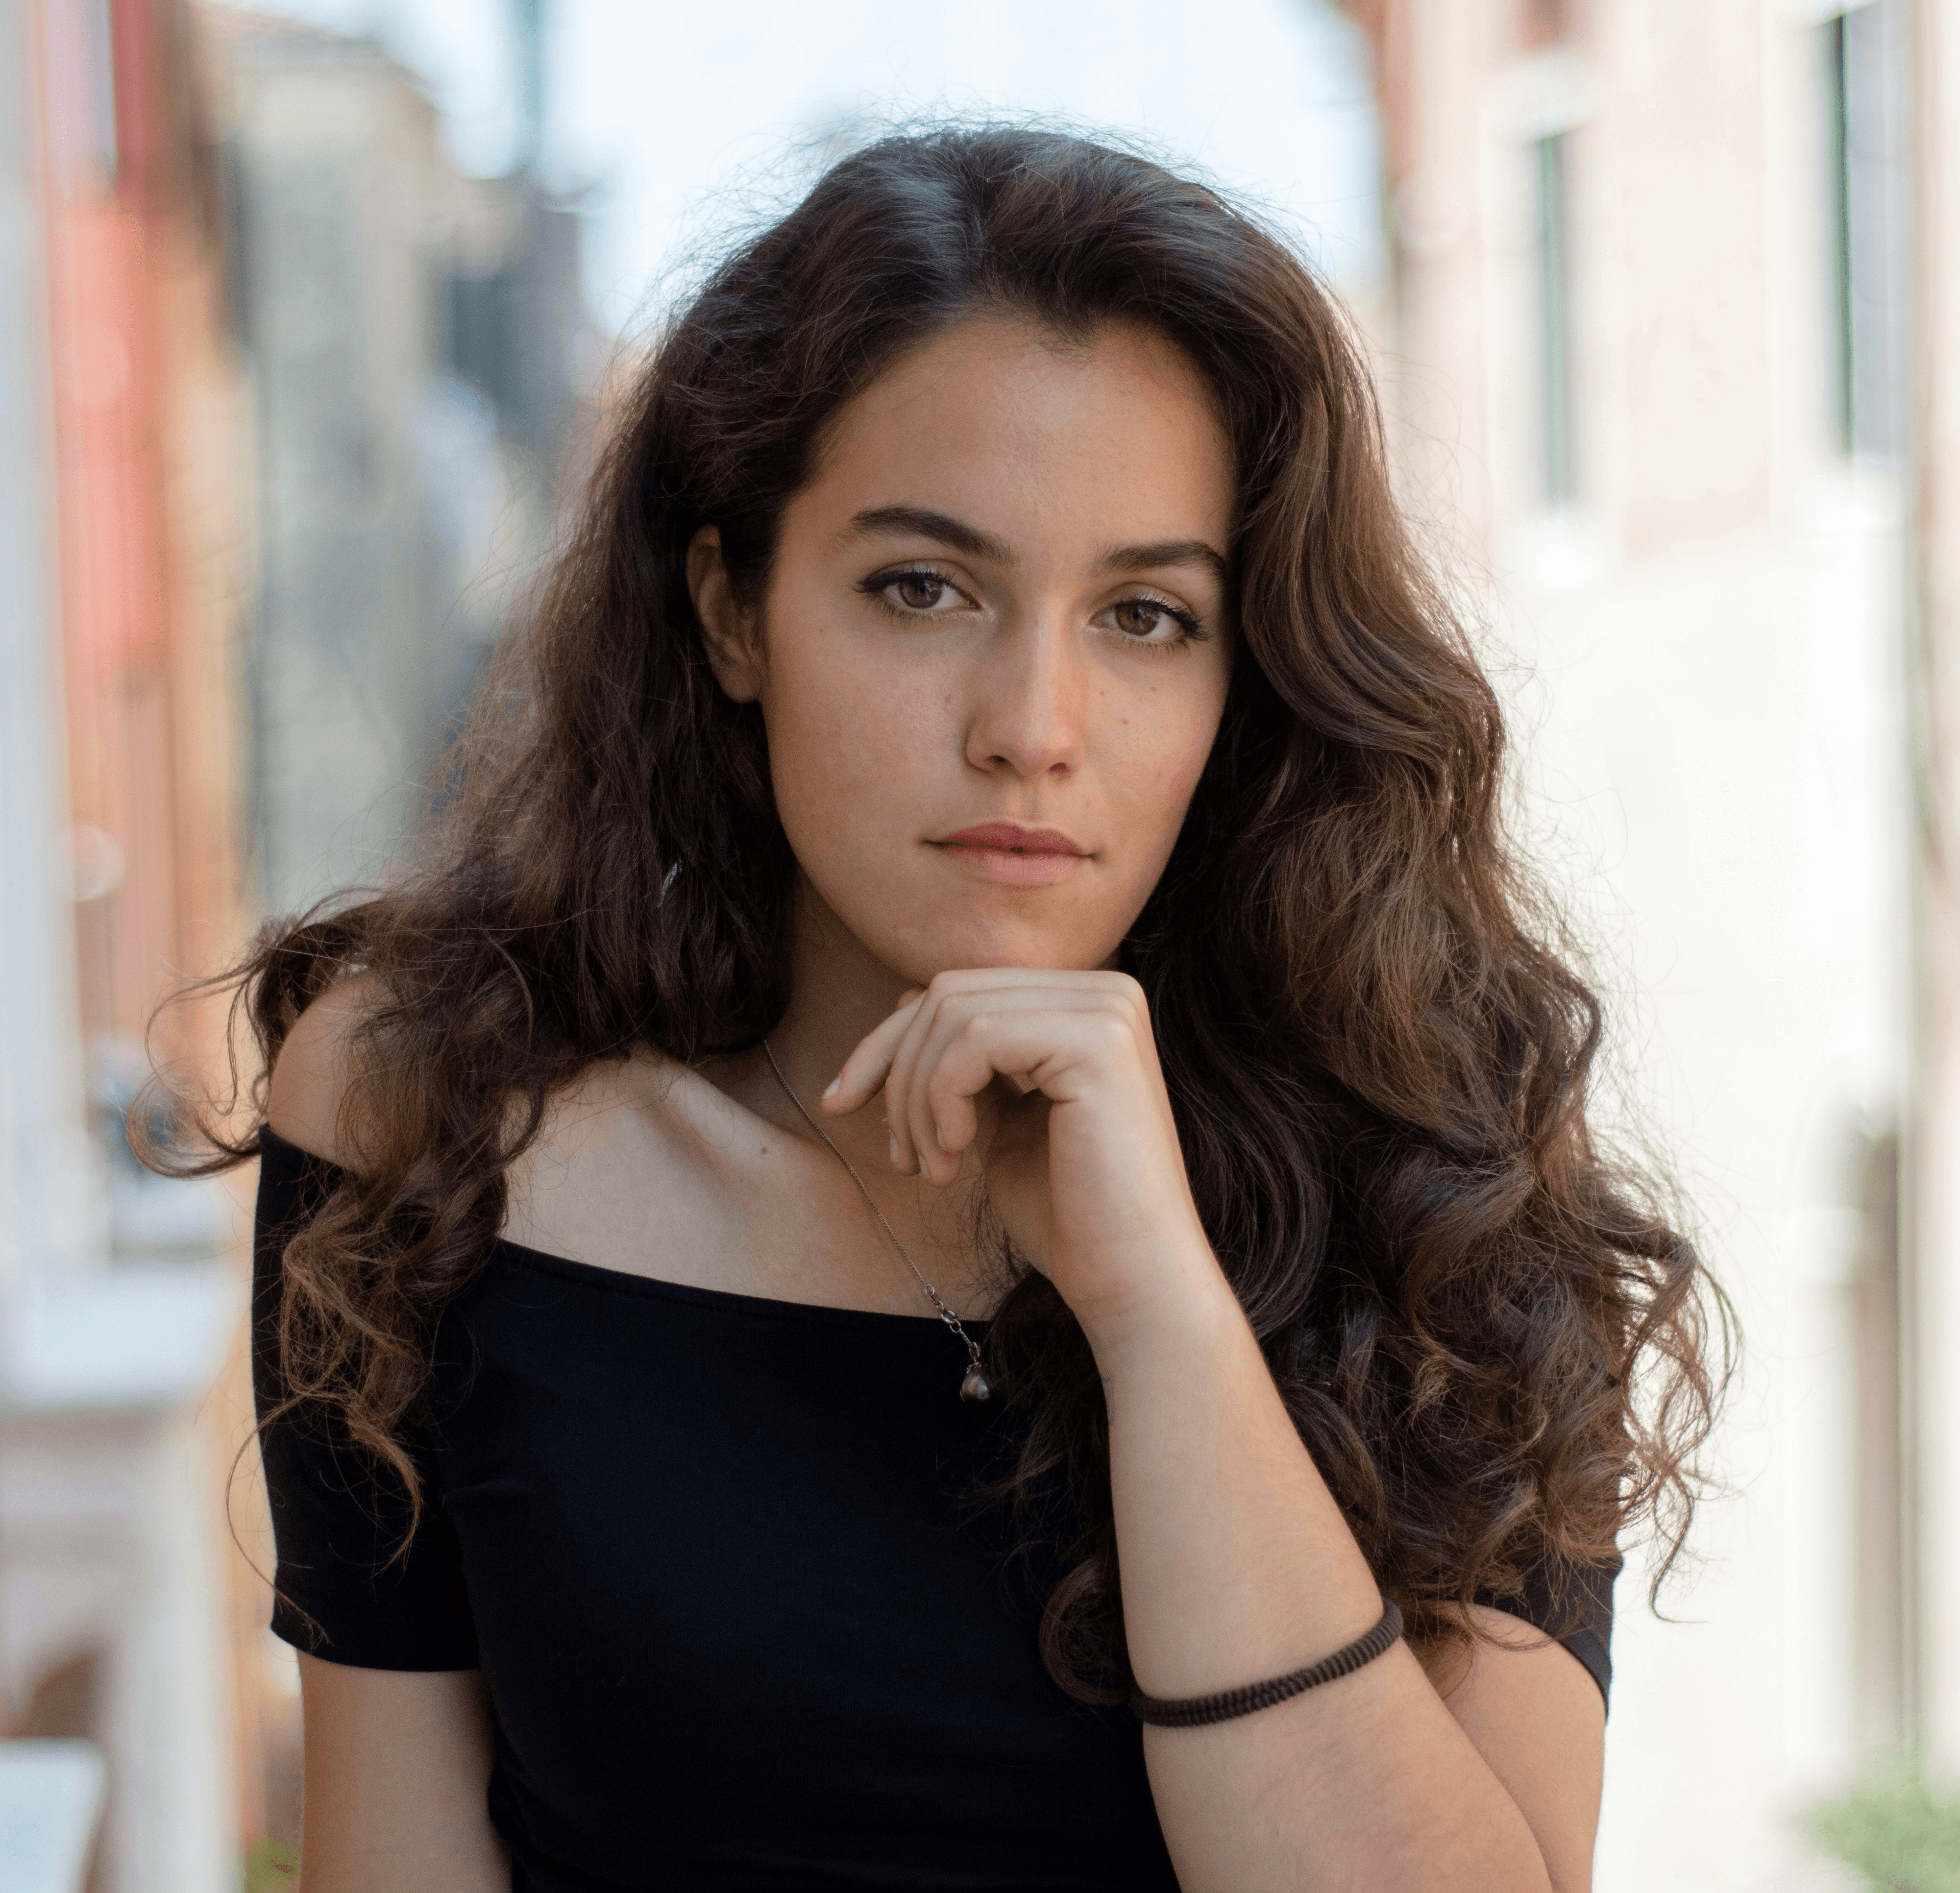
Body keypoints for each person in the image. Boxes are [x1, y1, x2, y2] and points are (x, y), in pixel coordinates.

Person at [183, 128, 1719, 1891]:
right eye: (923, 588)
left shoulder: (1446, 1191)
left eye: (1146, 615)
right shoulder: (430, 1116)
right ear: (731, 609)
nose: (1032, 727)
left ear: (1248, 672)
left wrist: (1158, 1312)